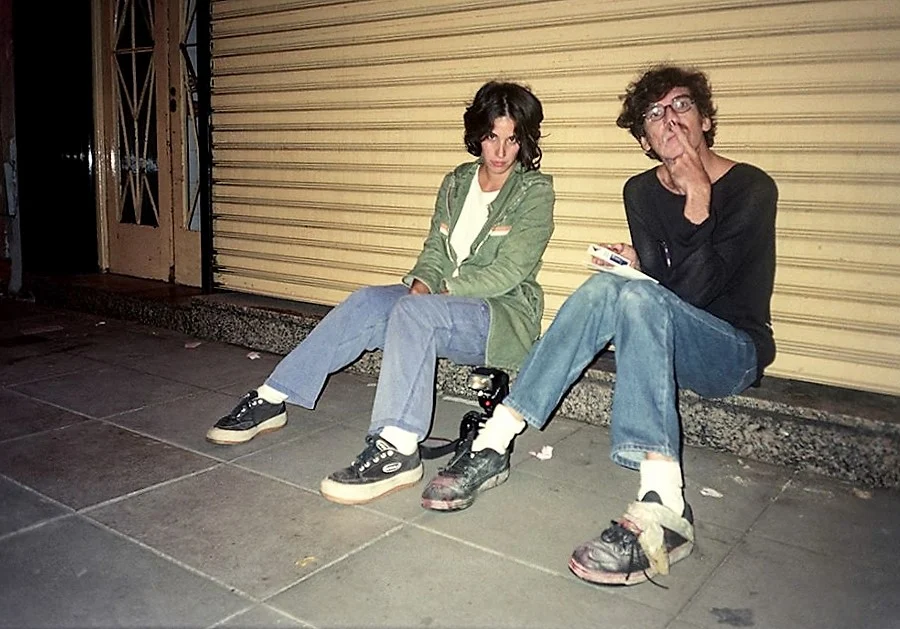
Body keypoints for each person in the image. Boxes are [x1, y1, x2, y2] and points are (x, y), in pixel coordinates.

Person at [421, 66, 778, 587]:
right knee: (608, 285)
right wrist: (638, 264)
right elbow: (664, 286)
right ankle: (493, 444)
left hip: (730, 351)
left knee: (635, 295)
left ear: (705, 119)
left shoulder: (751, 187)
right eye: (654, 114)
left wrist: (699, 196)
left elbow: (699, 291)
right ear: (645, 140)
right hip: (666, 335)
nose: (669, 120)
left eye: (681, 105)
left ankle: (665, 505)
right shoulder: (641, 191)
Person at [206, 81, 555, 506]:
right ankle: (272, 397)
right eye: (491, 136)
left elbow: (509, 271)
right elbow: (435, 250)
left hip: (496, 314)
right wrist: (421, 285)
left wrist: (434, 295)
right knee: (369, 301)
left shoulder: (534, 191)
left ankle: (399, 447)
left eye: (512, 139)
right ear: (477, 135)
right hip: (439, 303)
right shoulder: (457, 182)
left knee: (414, 312)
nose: (500, 151)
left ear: (525, 140)